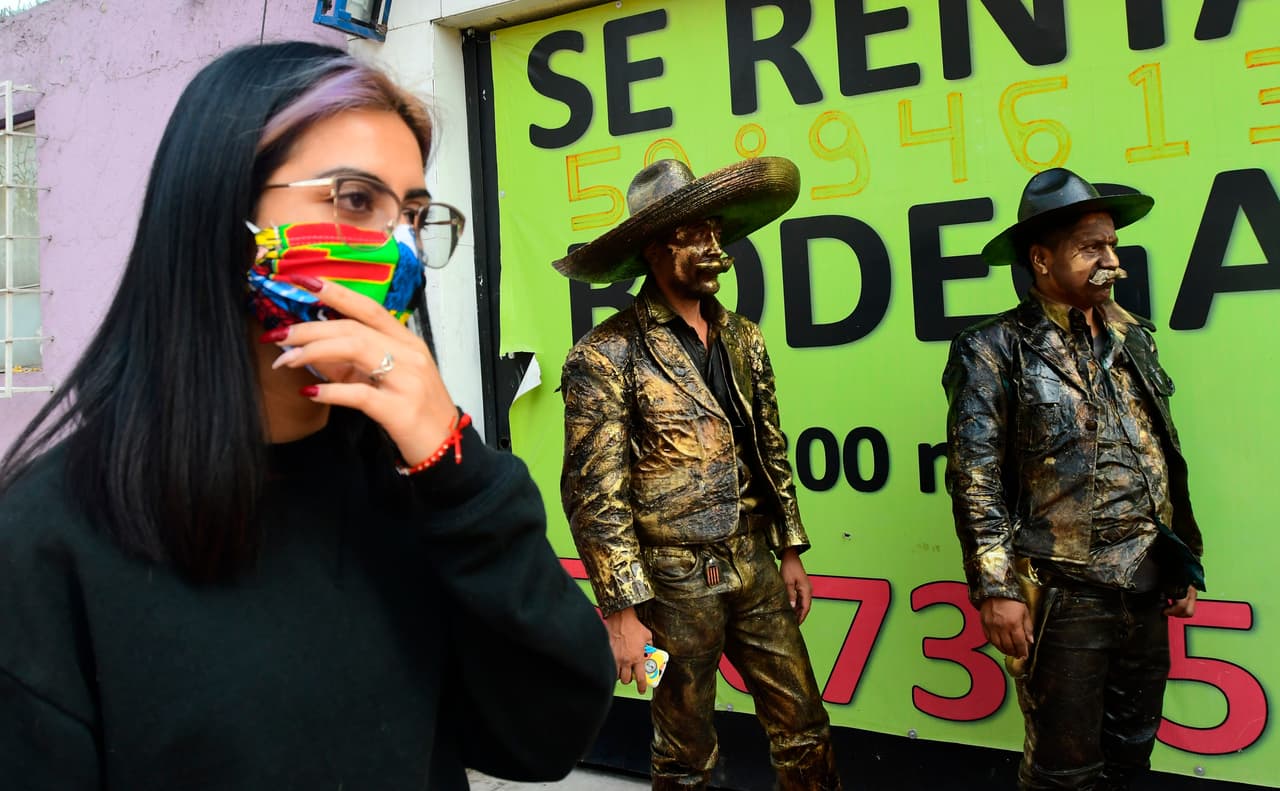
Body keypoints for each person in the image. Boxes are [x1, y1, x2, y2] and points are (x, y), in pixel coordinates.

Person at [0, 42, 614, 789]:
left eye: (415, 215)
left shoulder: (412, 486)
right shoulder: (45, 544)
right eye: (355, 200)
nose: (400, 249)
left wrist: (459, 473)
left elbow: (548, 736)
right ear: (223, 214)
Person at [556, 158, 841, 790]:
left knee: (805, 726)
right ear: (656, 250)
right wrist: (621, 611)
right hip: (668, 586)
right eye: (698, 237)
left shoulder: (744, 338)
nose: (719, 250)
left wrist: (790, 546)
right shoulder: (605, 354)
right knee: (683, 754)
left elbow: (769, 445)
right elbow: (593, 494)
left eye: (719, 233)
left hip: (754, 565)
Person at [942, 167, 1206, 790]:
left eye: (1112, 244)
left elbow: (1161, 452)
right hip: (1064, 593)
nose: (1110, 259)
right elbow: (973, 476)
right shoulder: (993, 347)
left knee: (1131, 754)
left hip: (1146, 580)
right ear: (1041, 260)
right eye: (1092, 247)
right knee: (1064, 773)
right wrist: (995, 586)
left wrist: (1182, 559)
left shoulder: (1134, 337)